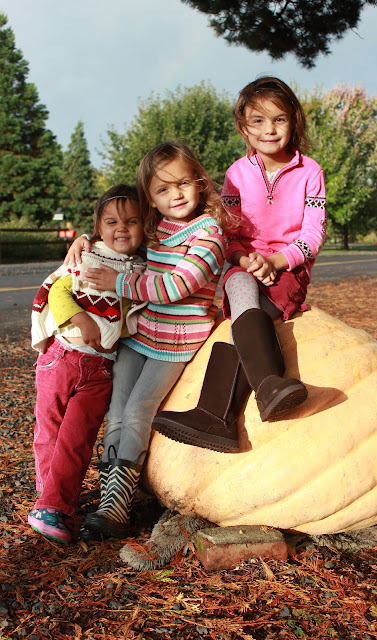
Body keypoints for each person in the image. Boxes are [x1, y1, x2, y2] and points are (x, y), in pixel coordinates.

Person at [65, 141, 233, 540]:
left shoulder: (209, 236)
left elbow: (177, 286)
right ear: (151, 199)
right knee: (117, 410)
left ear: (199, 182)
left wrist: (119, 282)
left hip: (176, 342)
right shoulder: (156, 230)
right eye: (162, 189)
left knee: (140, 409)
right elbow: (118, 239)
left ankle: (117, 508)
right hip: (139, 333)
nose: (175, 194)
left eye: (183, 183)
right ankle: (110, 497)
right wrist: (85, 239)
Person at [152, 76, 327, 451]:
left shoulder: (310, 172)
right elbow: (229, 232)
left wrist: (276, 261)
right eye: (258, 121)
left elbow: (313, 235)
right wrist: (244, 258)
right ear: (243, 127)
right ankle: (267, 385)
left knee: (252, 315)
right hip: (244, 263)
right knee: (239, 285)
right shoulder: (237, 174)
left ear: (293, 121)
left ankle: (217, 415)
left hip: (288, 269)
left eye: (279, 119)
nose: (269, 129)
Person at [29, 184, 145, 544]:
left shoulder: (142, 269)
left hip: (101, 369)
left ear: (145, 226)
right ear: (97, 228)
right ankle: (51, 500)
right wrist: (81, 320)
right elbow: (58, 290)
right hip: (61, 357)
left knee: (77, 439)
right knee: (49, 432)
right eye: (111, 222)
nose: (121, 228)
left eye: (131, 221)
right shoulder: (89, 255)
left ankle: (52, 504)